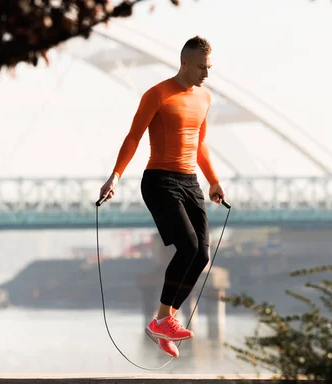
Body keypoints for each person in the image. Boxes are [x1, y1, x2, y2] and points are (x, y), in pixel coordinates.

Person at [98, 36, 226, 358]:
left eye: (209, 68)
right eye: (201, 67)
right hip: (159, 180)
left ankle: (164, 320)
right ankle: (164, 320)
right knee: (188, 246)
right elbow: (134, 137)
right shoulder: (157, 94)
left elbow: (200, 145)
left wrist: (213, 181)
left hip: (190, 182)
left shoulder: (205, 98)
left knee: (201, 256)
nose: (206, 74)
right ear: (184, 62)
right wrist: (115, 175)